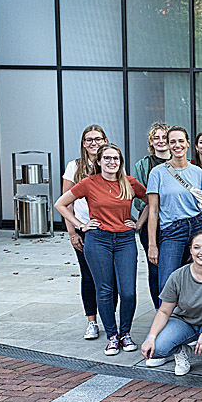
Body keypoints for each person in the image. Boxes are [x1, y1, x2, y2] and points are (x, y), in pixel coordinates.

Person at [55, 143, 147, 355]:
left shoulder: (130, 182)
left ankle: (126, 333)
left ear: (120, 162)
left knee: (128, 292)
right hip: (97, 240)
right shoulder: (89, 182)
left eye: (115, 158)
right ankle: (112, 336)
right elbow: (61, 203)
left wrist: (139, 223)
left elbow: (152, 201)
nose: (111, 162)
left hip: (125, 240)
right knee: (104, 290)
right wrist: (80, 225)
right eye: (107, 158)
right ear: (98, 161)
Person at [140, 231, 202, 380]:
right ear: (191, 250)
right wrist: (151, 337)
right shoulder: (178, 276)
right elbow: (164, 311)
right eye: (197, 247)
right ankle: (181, 351)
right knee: (156, 348)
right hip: (184, 321)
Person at [147, 126, 202, 295]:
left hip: (197, 227)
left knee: (199, 279)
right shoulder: (158, 173)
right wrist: (152, 244)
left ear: (188, 143)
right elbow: (153, 211)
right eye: (173, 142)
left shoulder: (198, 172)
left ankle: (196, 318)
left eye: (180, 141)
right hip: (172, 231)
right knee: (167, 282)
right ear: (169, 145)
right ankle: (168, 319)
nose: (177, 145)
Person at [62, 124, 107, 339]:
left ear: (105, 141)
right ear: (83, 143)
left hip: (109, 228)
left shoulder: (111, 163)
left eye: (98, 139)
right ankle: (92, 321)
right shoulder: (75, 166)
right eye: (89, 140)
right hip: (85, 230)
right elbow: (65, 202)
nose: (94, 143)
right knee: (88, 276)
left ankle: (110, 318)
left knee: (110, 277)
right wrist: (74, 231)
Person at [132, 122, 170, 309]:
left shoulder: (182, 161)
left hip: (175, 223)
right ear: (151, 142)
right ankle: (158, 309)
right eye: (157, 137)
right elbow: (139, 199)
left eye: (164, 137)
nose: (161, 141)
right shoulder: (143, 165)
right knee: (154, 267)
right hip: (150, 223)